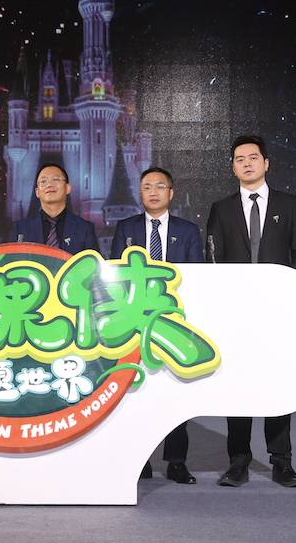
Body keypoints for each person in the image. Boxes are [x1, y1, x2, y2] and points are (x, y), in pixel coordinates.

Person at [206, 134, 296, 489]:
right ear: (232, 167)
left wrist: (287, 290)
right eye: (240, 159)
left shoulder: (289, 204)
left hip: (277, 311)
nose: (247, 163)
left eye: (253, 157)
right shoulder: (221, 209)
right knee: (237, 385)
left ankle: (282, 462)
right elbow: (213, 258)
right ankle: (238, 462)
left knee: (277, 385)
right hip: (236, 314)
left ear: (266, 163)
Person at [110, 166, 203, 485]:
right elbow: (115, 273)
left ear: (171, 193)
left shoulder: (188, 231)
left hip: (175, 320)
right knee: (136, 392)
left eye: (159, 186)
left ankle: (176, 462)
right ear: (140, 193)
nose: (153, 192)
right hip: (134, 321)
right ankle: (140, 460)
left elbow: (197, 275)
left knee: (175, 392)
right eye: (147, 186)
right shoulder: (125, 228)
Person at [11, 163, 97, 253]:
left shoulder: (84, 229)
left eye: (56, 180)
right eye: (43, 181)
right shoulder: (20, 229)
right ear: (37, 192)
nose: (49, 185)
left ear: (67, 188)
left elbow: (92, 261)